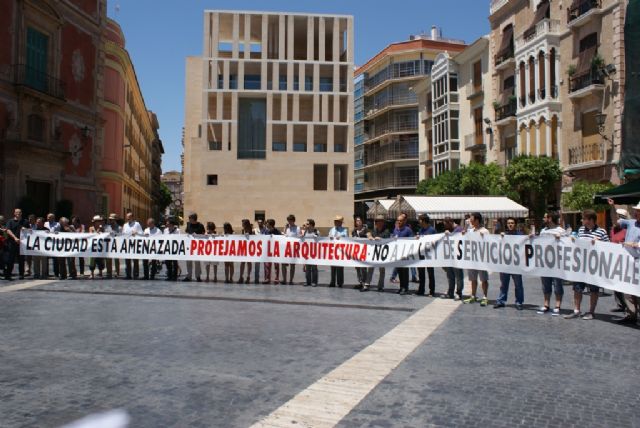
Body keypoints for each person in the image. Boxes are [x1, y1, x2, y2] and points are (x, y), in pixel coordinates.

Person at [564, 209, 609, 320]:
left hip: (594, 266)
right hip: (581, 265)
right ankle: (576, 310)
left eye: (584, 218)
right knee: (577, 288)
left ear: (591, 220)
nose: (582, 220)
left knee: (593, 289)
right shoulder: (581, 230)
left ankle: (591, 312)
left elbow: (609, 247)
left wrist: (599, 242)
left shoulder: (601, 232)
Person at [608, 199, 639, 324]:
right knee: (627, 289)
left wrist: (635, 244)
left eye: (639, 211)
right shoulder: (631, 223)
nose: (637, 213)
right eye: (636, 211)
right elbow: (616, 221)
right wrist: (612, 207)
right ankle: (631, 315)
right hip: (628, 261)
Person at [536, 211, 566, 315]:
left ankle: (557, 305)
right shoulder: (543, 231)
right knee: (545, 284)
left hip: (557, 263)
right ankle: (546, 304)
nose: (543, 219)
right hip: (545, 262)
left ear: (550, 218)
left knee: (557, 284)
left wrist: (561, 238)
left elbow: (567, 245)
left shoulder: (561, 231)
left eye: (545, 217)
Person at [494, 217, 524, 310]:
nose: (510, 224)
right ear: (506, 225)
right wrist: (500, 237)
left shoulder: (520, 235)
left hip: (516, 265)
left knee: (518, 285)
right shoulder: (504, 235)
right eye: (509, 223)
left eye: (512, 223)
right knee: (503, 284)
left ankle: (519, 302)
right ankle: (501, 301)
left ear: (515, 224)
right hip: (505, 265)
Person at [463, 212, 490, 306]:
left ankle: (485, 297)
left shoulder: (485, 231)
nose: (470, 221)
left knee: (483, 279)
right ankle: (473, 296)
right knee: (473, 278)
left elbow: (489, 243)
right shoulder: (471, 231)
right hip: (472, 259)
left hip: (481, 259)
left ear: (477, 220)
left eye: (472, 219)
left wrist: (484, 237)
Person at [608, 207, 630, 314]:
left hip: (625, 262)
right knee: (615, 285)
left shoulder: (628, 230)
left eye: (619, 218)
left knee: (625, 286)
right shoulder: (613, 230)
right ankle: (621, 304)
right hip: (614, 261)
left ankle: (629, 307)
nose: (616, 220)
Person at [364, 215, 390, 292]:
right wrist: (368, 235)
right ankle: (367, 284)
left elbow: (387, 238)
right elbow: (367, 232)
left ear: (383, 222)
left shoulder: (386, 230)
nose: (379, 223)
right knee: (370, 268)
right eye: (378, 221)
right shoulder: (373, 230)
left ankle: (380, 286)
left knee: (382, 270)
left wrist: (381, 239)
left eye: (381, 221)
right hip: (373, 253)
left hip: (382, 253)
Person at [442, 217, 464, 300]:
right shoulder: (450, 230)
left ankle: (459, 292)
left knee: (458, 276)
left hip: (457, 257)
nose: (446, 227)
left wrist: (450, 235)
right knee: (450, 275)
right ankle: (450, 292)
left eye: (446, 225)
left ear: (450, 222)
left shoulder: (459, 229)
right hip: (449, 257)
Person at [392, 213, 414, 295]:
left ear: (404, 221)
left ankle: (405, 287)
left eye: (401, 221)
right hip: (398, 254)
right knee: (400, 271)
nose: (399, 222)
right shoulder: (396, 230)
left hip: (405, 255)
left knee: (405, 272)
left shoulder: (408, 230)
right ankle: (401, 287)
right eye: (398, 220)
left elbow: (412, 241)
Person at [5, 208, 29, 280]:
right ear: (14, 213)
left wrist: (26, 229)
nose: (18, 213)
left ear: (21, 213)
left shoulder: (25, 221)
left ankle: (21, 274)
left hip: (22, 244)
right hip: (12, 243)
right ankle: (8, 275)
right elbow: (8, 230)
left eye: (19, 212)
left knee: (21, 260)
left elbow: (31, 232)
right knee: (10, 260)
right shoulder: (10, 221)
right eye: (16, 212)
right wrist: (15, 238)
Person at [416, 214, 436, 296]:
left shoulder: (432, 230)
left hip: (430, 255)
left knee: (430, 273)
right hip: (421, 254)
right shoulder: (420, 230)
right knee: (421, 273)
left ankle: (432, 291)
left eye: (420, 220)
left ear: (424, 221)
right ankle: (421, 289)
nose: (419, 221)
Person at [122, 211, 143, 279]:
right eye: (127, 218)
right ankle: (128, 274)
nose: (128, 219)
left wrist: (136, 233)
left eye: (129, 218)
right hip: (127, 244)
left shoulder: (137, 224)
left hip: (135, 244)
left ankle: (135, 274)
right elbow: (123, 234)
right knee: (127, 260)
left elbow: (142, 233)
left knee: (135, 260)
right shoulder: (125, 225)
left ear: (132, 217)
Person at [184, 213, 205, 282]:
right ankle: (188, 276)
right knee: (188, 261)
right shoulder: (188, 224)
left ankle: (198, 276)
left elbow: (203, 235)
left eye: (190, 218)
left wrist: (197, 235)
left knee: (197, 262)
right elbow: (187, 232)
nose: (189, 220)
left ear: (193, 219)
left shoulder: (200, 225)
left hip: (197, 246)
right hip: (189, 245)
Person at [328, 215, 348, 287]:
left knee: (340, 267)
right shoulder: (332, 229)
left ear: (340, 222)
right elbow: (328, 237)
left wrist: (341, 236)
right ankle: (332, 282)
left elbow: (346, 236)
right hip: (333, 250)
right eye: (335, 221)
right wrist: (329, 237)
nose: (335, 222)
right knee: (332, 267)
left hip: (340, 251)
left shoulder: (344, 230)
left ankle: (340, 282)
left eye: (337, 221)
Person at [281, 214, 300, 285]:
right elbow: (283, 236)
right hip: (286, 248)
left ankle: (291, 280)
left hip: (293, 248)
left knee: (292, 265)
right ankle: (284, 279)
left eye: (290, 220)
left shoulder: (297, 228)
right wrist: (285, 229)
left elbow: (298, 237)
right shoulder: (287, 228)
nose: (289, 222)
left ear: (293, 220)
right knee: (283, 264)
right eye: (288, 220)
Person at [351, 216, 369, 289]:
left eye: (359, 220)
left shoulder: (366, 230)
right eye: (357, 221)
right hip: (356, 252)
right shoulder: (354, 231)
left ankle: (365, 283)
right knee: (357, 268)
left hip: (364, 251)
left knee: (363, 268)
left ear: (362, 221)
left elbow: (369, 237)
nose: (358, 222)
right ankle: (360, 282)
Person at [262, 219, 281, 284]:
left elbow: (281, 239)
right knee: (267, 265)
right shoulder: (265, 231)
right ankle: (267, 278)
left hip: (275, 250)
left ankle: (276, 278)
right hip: (267, 250)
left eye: (267, 223)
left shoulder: (277, 231)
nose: (266, 224)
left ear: (270, 224)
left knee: (276, 264)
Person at [301, 219, 319, 287]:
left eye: (307, 224)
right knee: (307, 268)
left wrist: (316, 236)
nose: (306, 225)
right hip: (307, 252)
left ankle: (314, 282)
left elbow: (320, 240)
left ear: (311, 225)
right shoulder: (305, 232)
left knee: (314, 268)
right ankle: (308, 281)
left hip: (314, 252)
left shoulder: (316, 231)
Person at [238, 219, 254, 284]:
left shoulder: (251, 231)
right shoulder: (242, 230)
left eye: (243, 223)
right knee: (242, 263)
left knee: (249, 263)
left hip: (249, 248)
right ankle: (241, 276)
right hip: (243, 248)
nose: (242, 225)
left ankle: (248, 276)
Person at [253, 219, 266, 284]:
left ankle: (266, 278)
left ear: (263, 222)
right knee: (257, 265)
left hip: (265, 249)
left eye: (261, 222)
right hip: (257, 249)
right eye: (259, 222)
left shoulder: (266, 230)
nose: (260, 223)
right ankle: (256, 278)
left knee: (266, 265)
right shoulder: (255, 230)